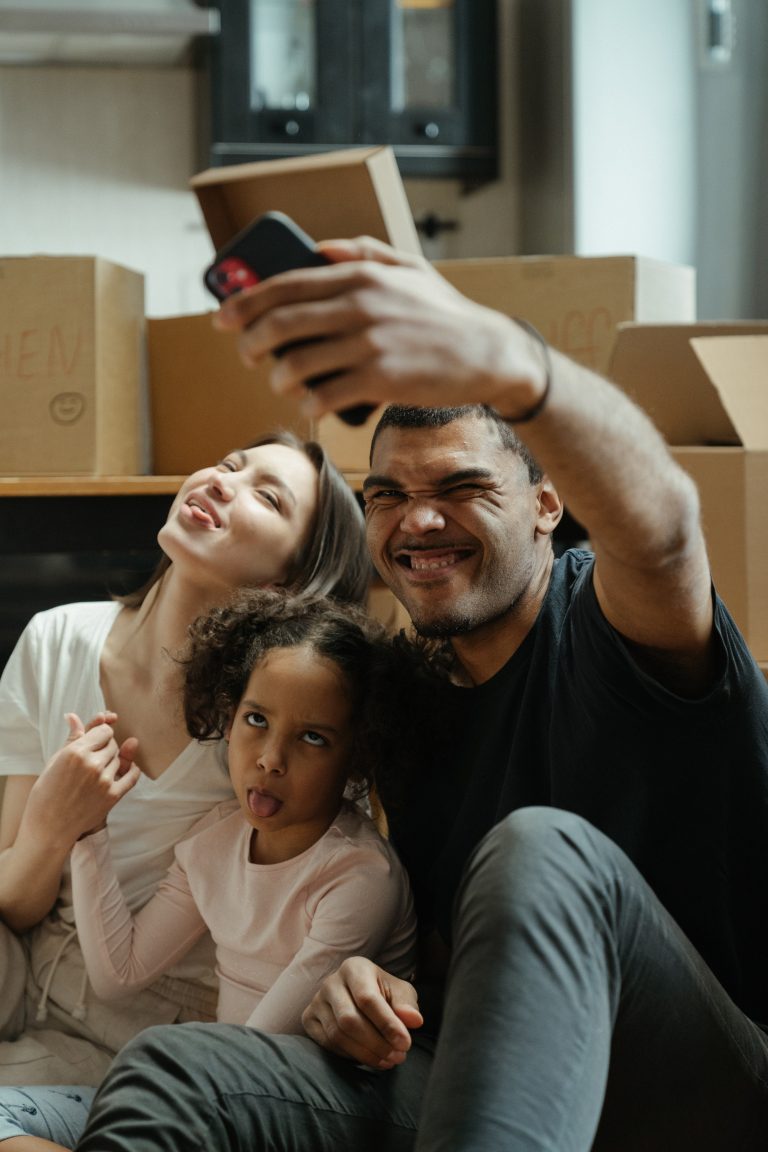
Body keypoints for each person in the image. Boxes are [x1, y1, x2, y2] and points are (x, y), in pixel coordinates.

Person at [73, 238, 768, 1151]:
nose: (419, 520)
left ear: (547, 505)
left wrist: (511, 367)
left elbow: (668, 527)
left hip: (703, 1088)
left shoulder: (612, 623)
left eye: (462, 487)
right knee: (175, 1068)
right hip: (507, 1089)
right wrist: (373, 989)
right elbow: (454, 963)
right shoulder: (408, 707)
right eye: (388, 494)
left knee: (540, 851)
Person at [0, 430, 371, 1147]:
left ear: (286, 584)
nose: (222, 480)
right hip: (24, 981)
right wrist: (52, 828)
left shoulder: (271, 735)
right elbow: (13, 901)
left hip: (156, 1032)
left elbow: (321, 896)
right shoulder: (56, 639)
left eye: (266, 495)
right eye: (230, 464)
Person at [8, 588, 417, 1152]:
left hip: (288, 1110)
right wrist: (90, 829)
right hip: (204, 1095)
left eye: (313, 738)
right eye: (256, 720)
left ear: (357, 755)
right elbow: (119, 974)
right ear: (228, 719)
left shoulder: (359, 877)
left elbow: (247, 1059)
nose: (271, 758)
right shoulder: (215, 841)